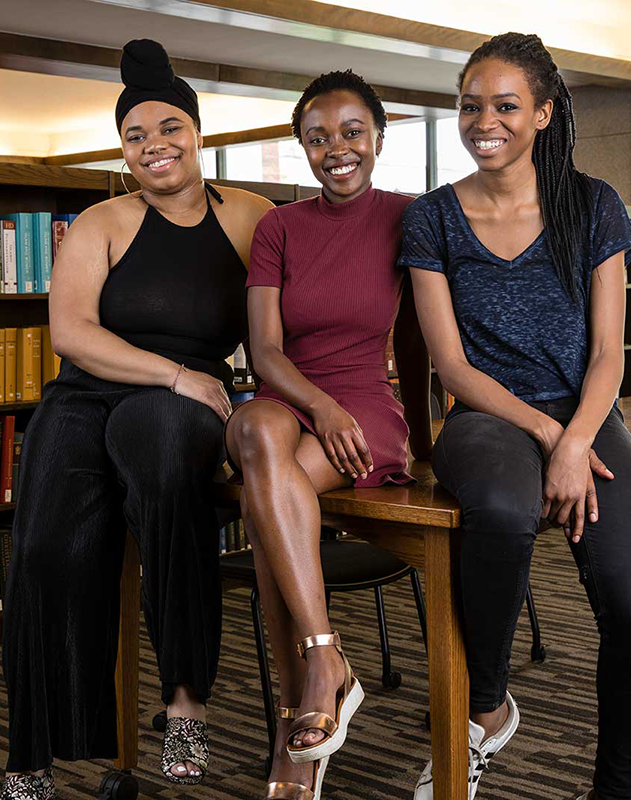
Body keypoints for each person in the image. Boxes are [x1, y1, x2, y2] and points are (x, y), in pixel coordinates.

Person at [0, 39, 274, 800]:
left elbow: (272, 331)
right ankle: (34, 752)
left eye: (169, 128)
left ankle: (186, 701)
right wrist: (176, 372)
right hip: (91, 393)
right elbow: (71, 334)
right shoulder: (102, 219)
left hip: (181, 411)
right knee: (46, 547)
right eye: (136, 136)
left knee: (160, 465)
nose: (155, 145)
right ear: (123, 151)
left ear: (198, 131)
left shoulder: (253, 217)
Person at [399, 32, 631, 800]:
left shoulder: (595, 205)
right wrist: (549, 437)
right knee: (502, 509)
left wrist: (577, 433)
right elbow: (451, 366)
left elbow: (611, 353)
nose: (486, 120)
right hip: (485, 415)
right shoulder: (432, 219)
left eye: (507, 105)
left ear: (545, 113)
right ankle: (486, 708)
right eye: (470, 106)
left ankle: (613, 790)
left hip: (585, 410)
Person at [224, 70, 432, 800]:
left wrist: (426, 445)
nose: (335, 149)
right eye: (317, 138)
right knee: (251, 427)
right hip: (293, 397)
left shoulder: (411, 217)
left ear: (378, 136)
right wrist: (322, 407)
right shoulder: (279, 227)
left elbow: (418, 340)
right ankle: (325, 662)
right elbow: (265, 351)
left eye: (351, 133)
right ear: (302, 148)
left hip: (366, 409)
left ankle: (296, 737)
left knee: (264, 504)